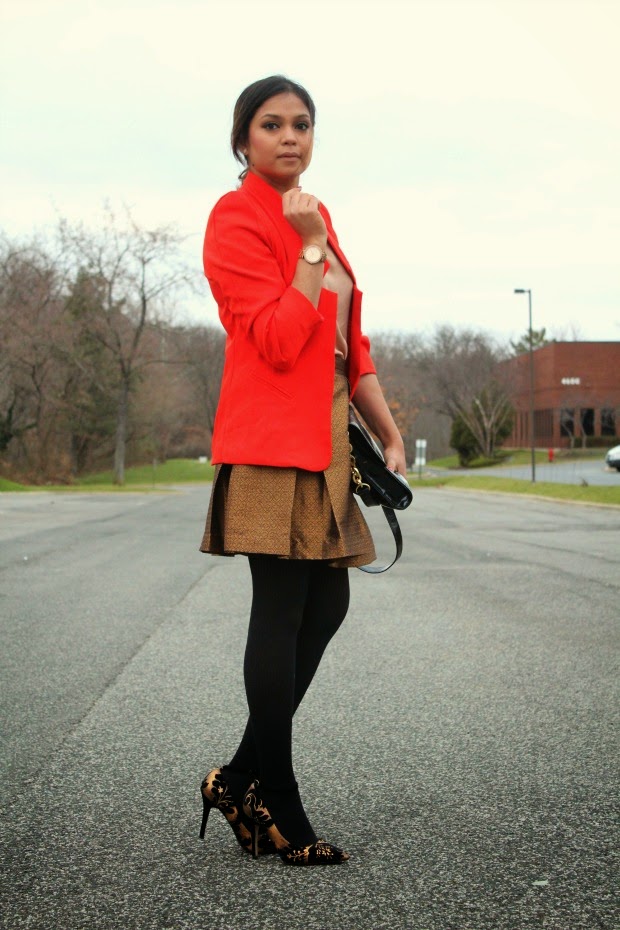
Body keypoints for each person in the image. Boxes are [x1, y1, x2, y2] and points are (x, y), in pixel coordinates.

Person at [198, 75, 406, 866]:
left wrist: (386, 430)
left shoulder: (316, 215)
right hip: (270, 444)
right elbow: (282, 340)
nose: (290, 136)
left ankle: (238, 777)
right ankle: (278, 801)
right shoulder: (237, 219)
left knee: (328, 604)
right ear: (243, 139)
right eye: (271, 124)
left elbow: (352, 346)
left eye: (302, 124)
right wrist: (311, 248)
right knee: (282, 609)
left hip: (326, 441)